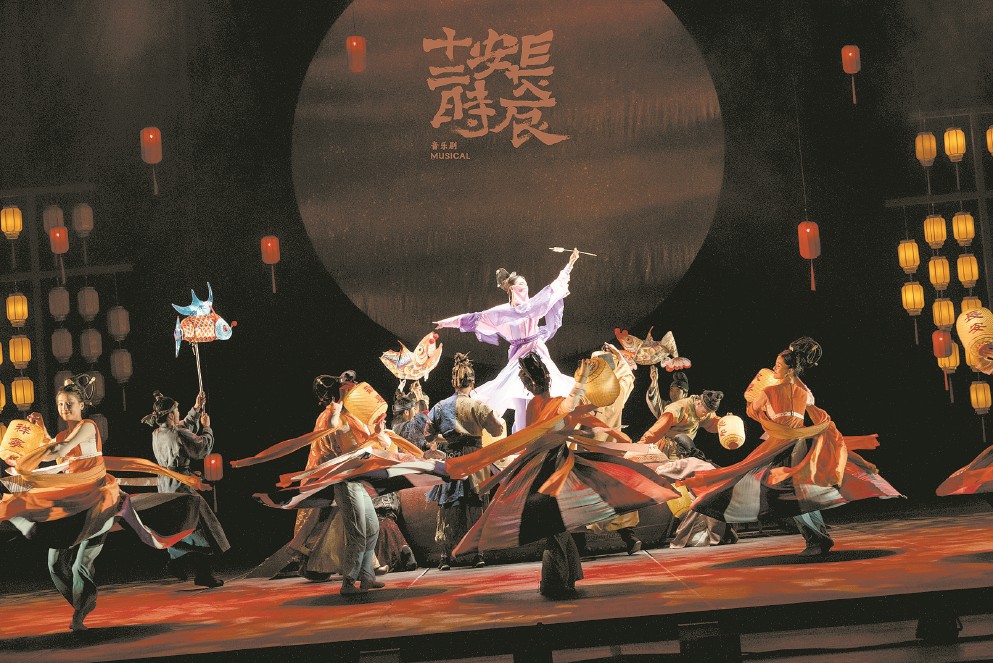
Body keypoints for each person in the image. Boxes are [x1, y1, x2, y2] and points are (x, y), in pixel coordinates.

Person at [445, 351, 681, 600]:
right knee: (556, 527)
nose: (525, 385)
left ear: (532, 383)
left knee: (555, 527)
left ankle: (556, 582)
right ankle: (565, 578)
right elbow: (554, 422)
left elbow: (567, 407)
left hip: (552, 470)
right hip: (545, 468)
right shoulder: (539, 404)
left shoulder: (550, 404)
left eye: (525, 380)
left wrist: (581, 382)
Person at [1, 376, 206, 631]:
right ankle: (82, 602)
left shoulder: (87, 427)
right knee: (54, 565)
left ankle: (80, 611)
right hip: (73, 503)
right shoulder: (64, 433)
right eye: (60, 404)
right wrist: (41, 431)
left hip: (98, 503)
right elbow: (53, 445)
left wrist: (25, 462)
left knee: (80, 564)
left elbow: (59, 450)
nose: (64, 408)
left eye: (69, 403)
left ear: (81, 405)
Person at [684, 337, 902, 556]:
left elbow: (752, 409)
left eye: (778, 365)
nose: (774, 368)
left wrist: (757, 402)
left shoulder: (769, 391)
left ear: (789, 370)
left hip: (781, 444)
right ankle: (818, 537)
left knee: (788, 493)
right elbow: (809, 406)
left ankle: (816, 539)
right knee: (798, 491)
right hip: (800, 440)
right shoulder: (803, 392)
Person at [434, 248, 580, 432]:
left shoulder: (533, 306)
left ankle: (541, 433)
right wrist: (446, 323)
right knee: (519, 400)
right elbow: (473, 319)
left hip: (536, 353)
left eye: (525, 285)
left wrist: (570, 264)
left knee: (541, 395)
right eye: (520, 286)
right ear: (511, 289)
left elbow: (554, 288)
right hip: (518, 358)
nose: (524, 289)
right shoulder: (501, 312)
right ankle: (521, 438)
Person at [143, 390, 229, 587]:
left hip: (165, 484)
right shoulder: (178, 433)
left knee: (178, 527)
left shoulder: (157, 433)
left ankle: (177, 561)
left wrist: (196, 408)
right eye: (177, 411)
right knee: (201, 528)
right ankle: (200, 573)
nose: (179, 414)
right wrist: (207, 428)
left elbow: (182, 427)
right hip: (181, 485)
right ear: (170, 415)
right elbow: (201, 447)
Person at [426, 353, 504, 570]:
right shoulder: (478, 406)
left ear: (453, 383)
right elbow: (497, 431)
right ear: (472, 382)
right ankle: (478, 554)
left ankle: (445, 556)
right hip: (475, 459)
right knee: (476, 504)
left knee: (448, 506)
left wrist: (449, 437)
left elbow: (428, 435)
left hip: (452, 459)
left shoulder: (440, 407)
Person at [655, 436, 737, 548]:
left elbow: (660, 471)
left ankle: (710, 536)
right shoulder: (703, 462)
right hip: (725, 498)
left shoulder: (687, 462)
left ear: (681, 452)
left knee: (693, 535)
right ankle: (722, 535)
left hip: (711, 498)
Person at [636, 389, 724, 460]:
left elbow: (713, 422)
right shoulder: (678, 409)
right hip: (665, 449)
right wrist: (642, 445)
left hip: (683, 451)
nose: (706, 415)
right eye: (705, 412)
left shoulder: (705, 412)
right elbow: (658, 429)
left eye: (708, 413)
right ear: (698, 403)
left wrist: (726, 423)